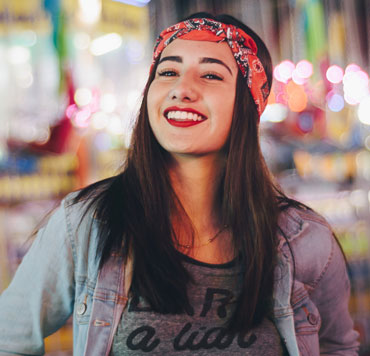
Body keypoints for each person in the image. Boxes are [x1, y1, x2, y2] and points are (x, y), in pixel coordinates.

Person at [0, 12, 359, 356]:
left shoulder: (305, 241)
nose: (182, 89)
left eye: (211, 75)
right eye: (168, 71)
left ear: (248, 103)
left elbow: (336, 348)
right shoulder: (87, 222)